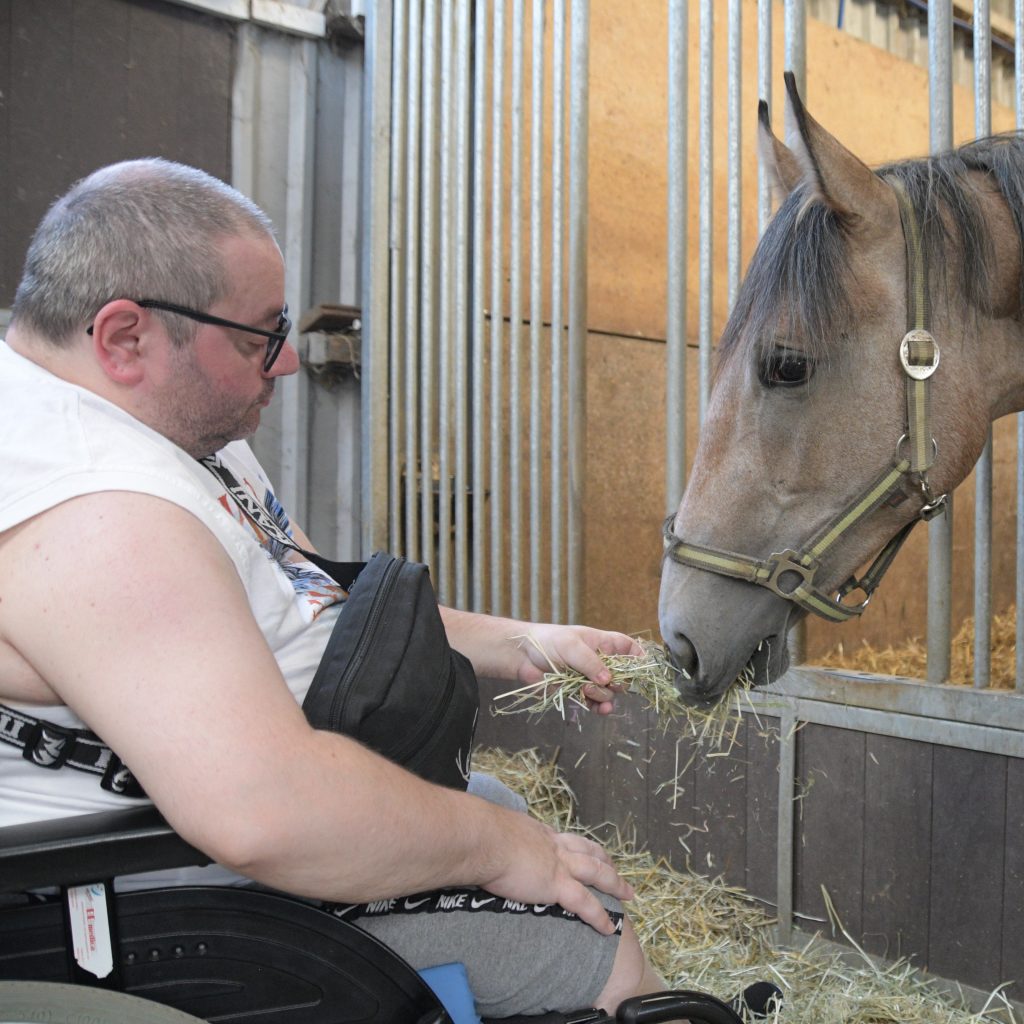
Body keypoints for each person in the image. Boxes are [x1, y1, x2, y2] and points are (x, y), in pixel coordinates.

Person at [0, 159, 671, 1019]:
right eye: (256, 338)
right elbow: (264, 813)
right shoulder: (98, 510)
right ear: (125, 336)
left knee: (510, 819)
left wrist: (520, 641)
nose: (283, 365)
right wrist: (505, 851)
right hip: (140, 880)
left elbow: (306, 594)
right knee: (585, 953)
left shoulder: (159, 422)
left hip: (226, 825)